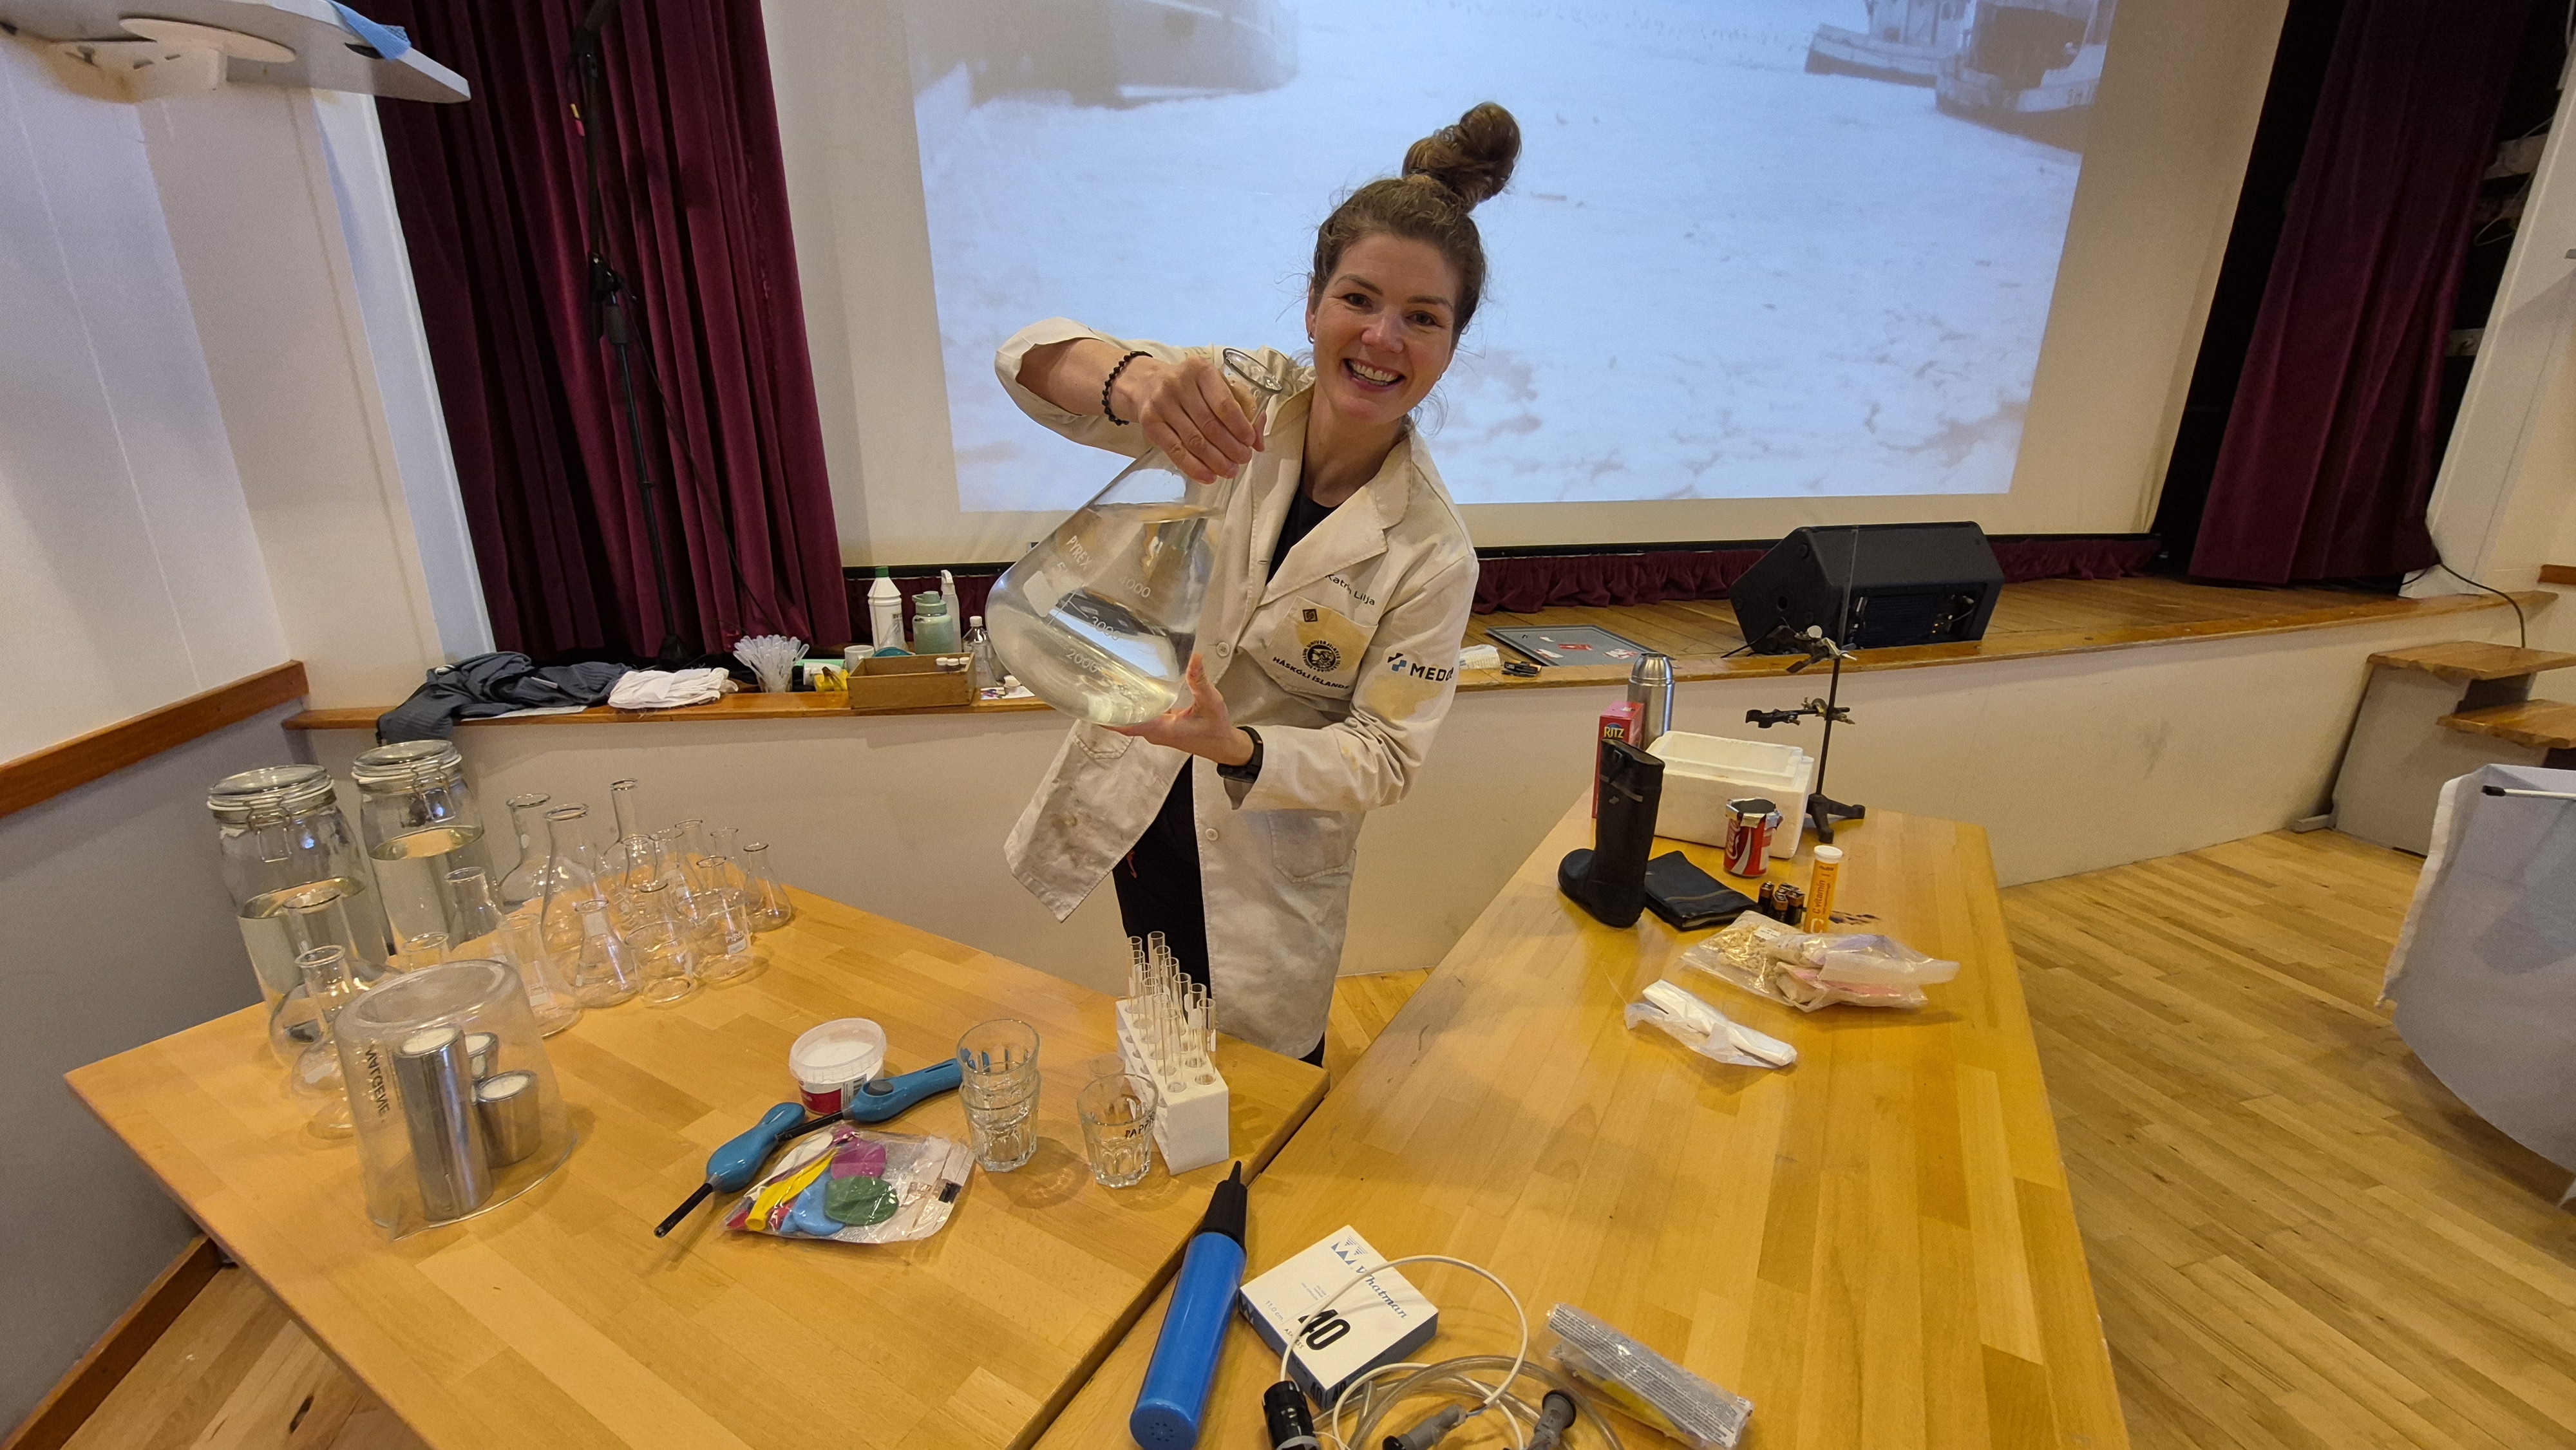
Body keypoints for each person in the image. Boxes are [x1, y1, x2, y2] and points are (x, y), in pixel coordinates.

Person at [996, 103, 1521, 1065]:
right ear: (1314, 304)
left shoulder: (1432, 550)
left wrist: (1237, 746)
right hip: (1141, 806)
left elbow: (1385, 759)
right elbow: (1026, 359)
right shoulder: (1234, 398)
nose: (1383, 338)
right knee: (1166, 1035)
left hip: (1264, 846)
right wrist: (1134, 382)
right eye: (1358, 299)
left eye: (1423, 318)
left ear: (1453, 345)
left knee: (1267, 1078)